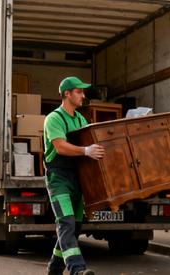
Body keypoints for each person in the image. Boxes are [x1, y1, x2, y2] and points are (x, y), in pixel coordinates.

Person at [44, 76, 105, 275]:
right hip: (59, 178)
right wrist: (86, 151)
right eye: (79, 91)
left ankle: (54, 269)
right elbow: (60, 147)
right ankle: (77, 269)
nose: (83, 95)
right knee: (66, 223)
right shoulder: (54, 118)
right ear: (67, 94)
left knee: (75, 226)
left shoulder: (80, 119)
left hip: (78, 178)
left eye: (83, 91)